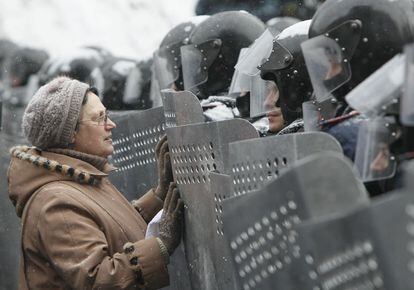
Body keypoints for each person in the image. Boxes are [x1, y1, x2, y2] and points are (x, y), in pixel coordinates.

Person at [7, 76, 183, 289]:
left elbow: (110, 230)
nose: (111, 124)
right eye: (100, 118)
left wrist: (159, 196)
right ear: (70, 132)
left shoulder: (77, 180)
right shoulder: (56, 203)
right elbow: (97, 280)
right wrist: (160, 245)